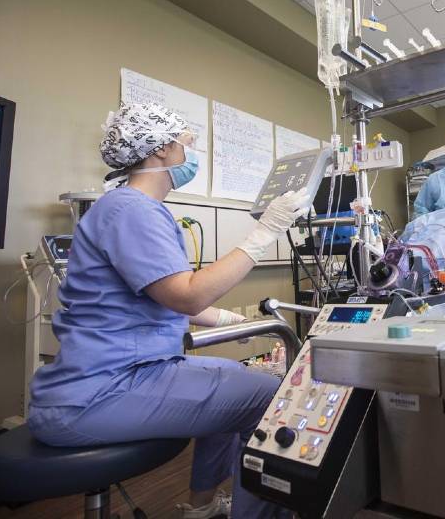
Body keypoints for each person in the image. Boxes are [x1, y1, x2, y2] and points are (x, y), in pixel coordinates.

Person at [28, 102, 306, 519]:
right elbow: (188, 296)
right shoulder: (131, 211)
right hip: (100, 392)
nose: (189, 155)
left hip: (121, 373)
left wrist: (232, 322)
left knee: (235, 375)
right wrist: (265, 231)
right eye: (186, 145)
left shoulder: (129, 209)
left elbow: (158, 297)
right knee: (270, 397)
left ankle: (203, 506)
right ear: (160, 150)